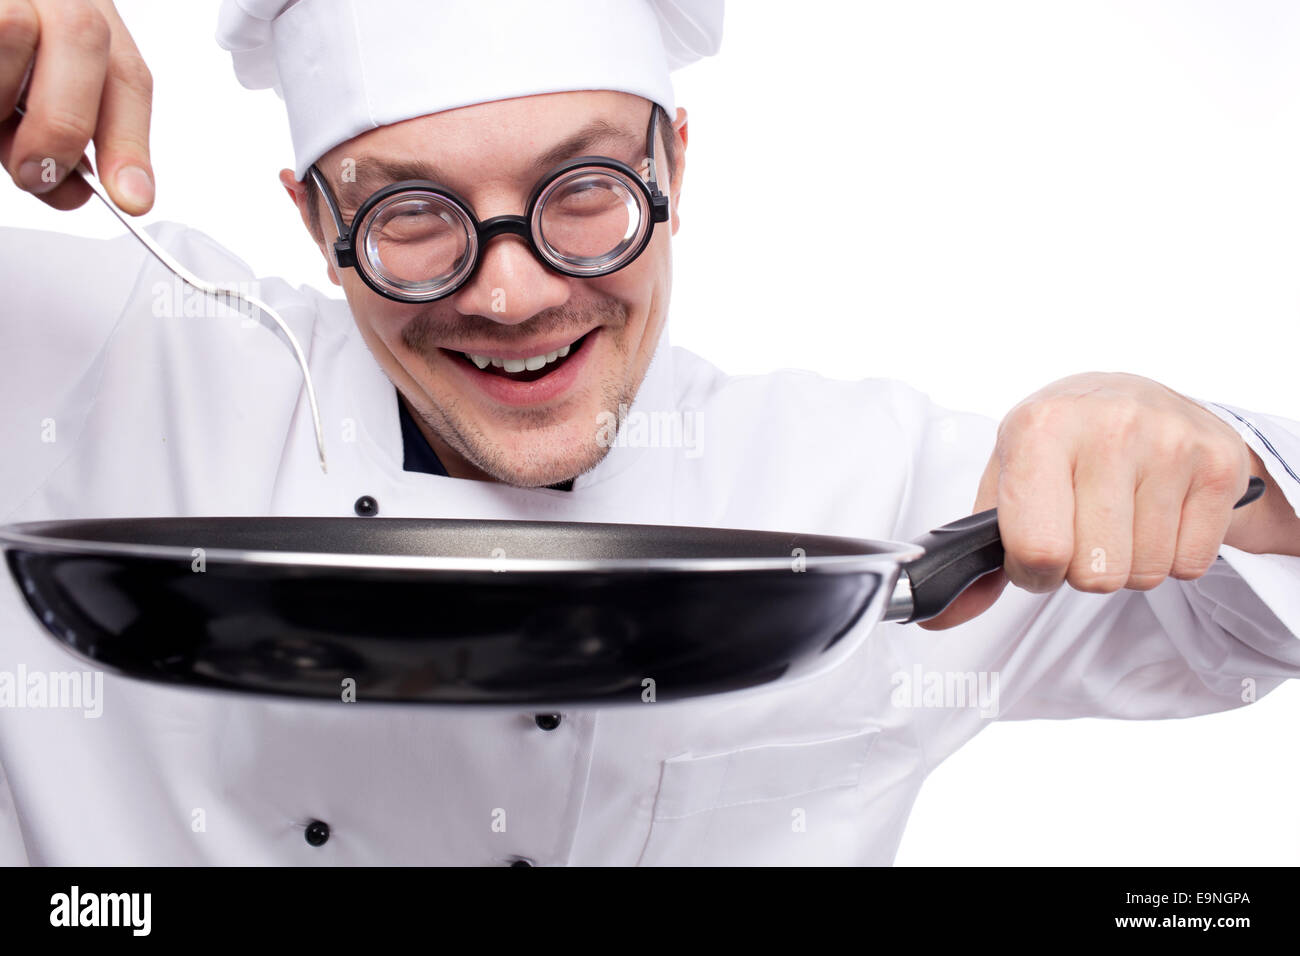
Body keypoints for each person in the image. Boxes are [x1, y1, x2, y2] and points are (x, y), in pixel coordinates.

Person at [0, 0, 1297, 866]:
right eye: (408, 215)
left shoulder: (867, 495)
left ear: (677, 164)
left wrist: (1218, 461)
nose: (507, 295)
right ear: (308, 216)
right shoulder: (93, 367)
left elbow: (1256, 616)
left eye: (586, 195)